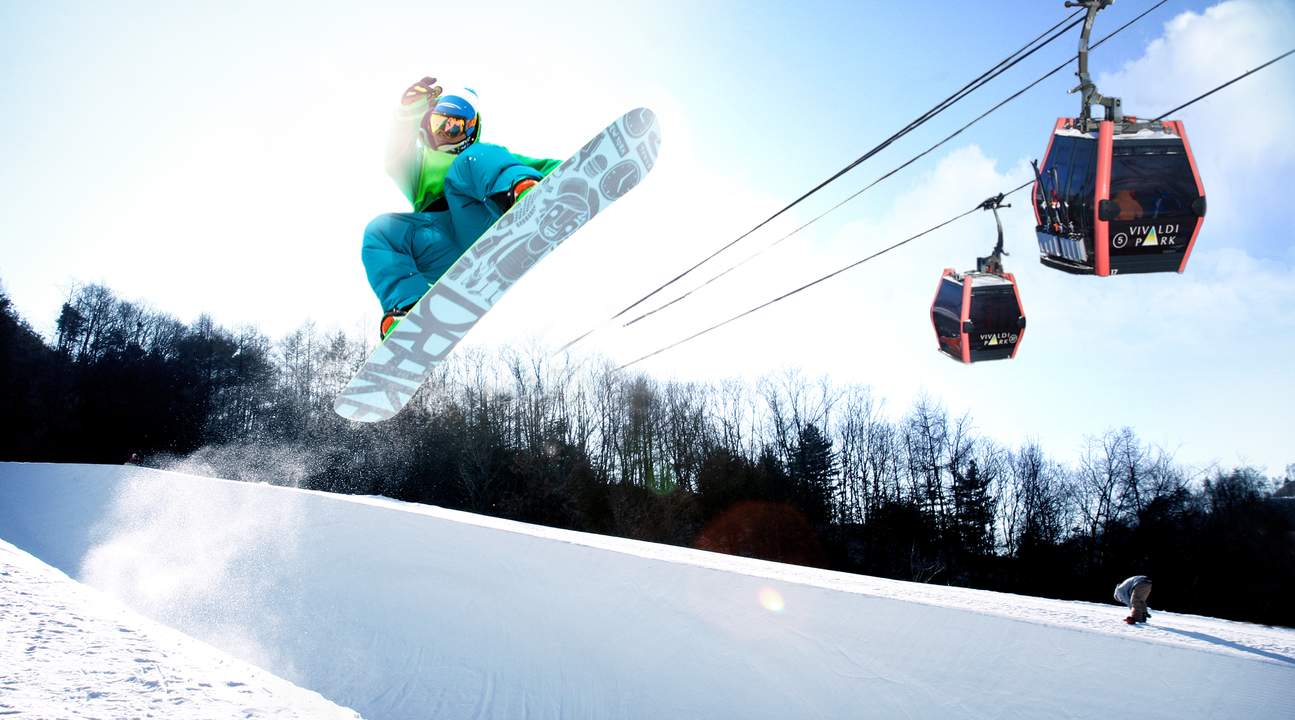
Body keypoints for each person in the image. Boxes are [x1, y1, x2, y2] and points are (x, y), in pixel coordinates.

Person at [362, 77, 561, 339]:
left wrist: (570, 178)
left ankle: (522, 194)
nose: (444, 132)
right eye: (439, 125)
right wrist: (409, 110)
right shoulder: (419, 165)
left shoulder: (481, 157)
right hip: (437, 246)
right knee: (380, 232)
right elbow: (396, 154)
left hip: (479, 222)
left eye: (454, 127)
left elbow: (544, 167)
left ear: (471, 129)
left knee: (471, 161)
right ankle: (408, 311)